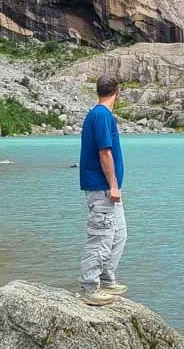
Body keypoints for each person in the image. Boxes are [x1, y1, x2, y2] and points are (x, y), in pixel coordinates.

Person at [78, 73, 128, 305]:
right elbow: (104, 152)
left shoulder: (101, 115)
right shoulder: (101, 115)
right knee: (100, 237)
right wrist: (113, 185)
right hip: (102, 188)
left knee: (118, 234)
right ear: (117, 93)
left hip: (106, 188)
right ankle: (89, 287)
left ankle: (106, 277)